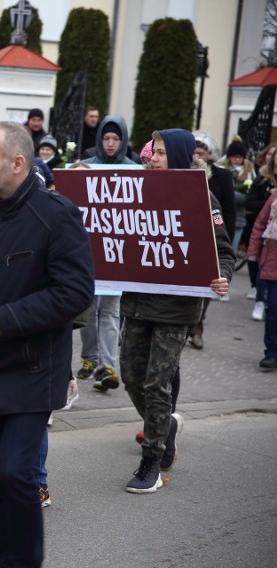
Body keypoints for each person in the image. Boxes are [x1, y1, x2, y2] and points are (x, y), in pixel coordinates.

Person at [0, 121, 94, 568]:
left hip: (34, 369)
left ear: (18, 162)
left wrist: (8, 318)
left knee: (16, 473)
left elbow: (75, 292)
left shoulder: (55, 214)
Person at [119, 129, 233, 495]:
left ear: (181, 157)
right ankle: (164, 423)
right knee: (131, 376)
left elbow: (224, 253)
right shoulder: (137, 192)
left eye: (163, 153)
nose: (153, 158)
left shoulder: (203, 198)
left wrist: (223, 277)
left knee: (157, 382)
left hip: (176, 309)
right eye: (154, 152)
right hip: (137, 303)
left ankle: (152, 459)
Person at [77, 115, 135, 391]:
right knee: (87, 308)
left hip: (116, 252)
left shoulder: (134, 170)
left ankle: (108, 366)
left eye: (116, 139)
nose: (111, 144)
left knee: (111, 310)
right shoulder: (87, 167)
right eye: (106, 138)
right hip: (88, 252)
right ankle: (90, 357)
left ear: (123, 140)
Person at [189, 135, 237, 347]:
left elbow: (228, 210)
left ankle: (197, 326)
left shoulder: (222, 176)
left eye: (202, 151)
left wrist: (227, 234)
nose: (198, 153)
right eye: (195, 150)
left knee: (206, 284)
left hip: (210, 237)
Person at [246, 174, 277, 369]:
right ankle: (272, 352)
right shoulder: (274, 198)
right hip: (273, 259)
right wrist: (253, 253)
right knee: (273, 307)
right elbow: (260, 225)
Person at [248, 148, 277, 322]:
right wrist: (269, 199)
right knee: (263, 270)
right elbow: (252, 205)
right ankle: (260, 300)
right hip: (269, 238)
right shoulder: (263, 179)